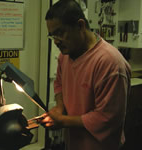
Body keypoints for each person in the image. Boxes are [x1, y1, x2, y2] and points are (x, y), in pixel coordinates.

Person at [40, 0, 131, 150]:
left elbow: (107, 118)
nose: (56, 41)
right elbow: (59, 84)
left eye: (60, 33)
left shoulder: (110, 64)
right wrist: (60, 107)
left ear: (80, 25)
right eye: (52, 36)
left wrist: (62, 121)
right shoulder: (66, 54)